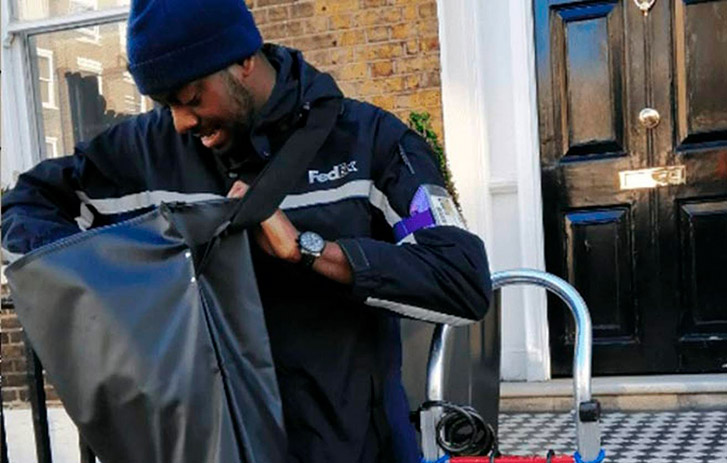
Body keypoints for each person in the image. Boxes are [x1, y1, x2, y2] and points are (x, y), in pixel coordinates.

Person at [2, 0, 492, 461]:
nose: (179, 121)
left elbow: (460, 279)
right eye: (163, 102)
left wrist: (309, 251)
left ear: (243, 62)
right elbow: (26, 204)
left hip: (354, 446)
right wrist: (111, 289)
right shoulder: (142, 154)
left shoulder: (370, 142)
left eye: (191, 97)